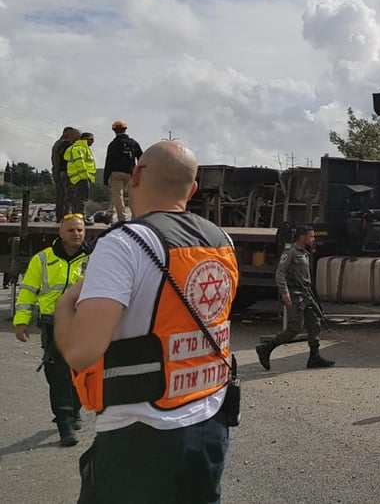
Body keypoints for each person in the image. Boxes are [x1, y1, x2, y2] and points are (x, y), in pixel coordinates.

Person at [54, 140, 239, 503]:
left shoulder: (123, 244)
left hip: (139, 433)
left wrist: (64, 307)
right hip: (208, 423)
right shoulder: (222, 240)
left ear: (136, 175)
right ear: (193, 189)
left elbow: (81, 352)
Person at [12, 214, 88, 447]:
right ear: (60, 233)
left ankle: (75, 409)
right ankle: (64, 423)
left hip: (84, 323)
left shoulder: (94, 258)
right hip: (53, 323)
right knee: (57, 375)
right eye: (71, 230)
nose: (76, 234)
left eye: (80, 230)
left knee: (82, 371)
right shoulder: (42, 259)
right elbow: (27, 292)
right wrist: (21, 320)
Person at [256, 225, 334, 370]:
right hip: (295, 294)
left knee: (315, 322)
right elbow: (280, 273)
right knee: (294, 328)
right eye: (311, 236)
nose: (313, 239)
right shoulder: (290, 252)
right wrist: (284, 293)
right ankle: (266, 348)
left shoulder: (305, 253)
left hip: (307, 294)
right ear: (303, 237)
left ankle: (314, 357)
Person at [104, 120, 143, 223]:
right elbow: (141, 157)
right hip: (130, 172)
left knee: (117, 195)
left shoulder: (113, 144)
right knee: (132, 195)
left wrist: (105, 177)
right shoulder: (133, 143)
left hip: (115, 172)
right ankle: (111, 213)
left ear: (114, 131)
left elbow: (108, 161)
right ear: (125, 129)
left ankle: (122, 219)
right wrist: (139, 172)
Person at [64, 131, 96, 216]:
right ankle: (81, 217)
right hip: (81, 177)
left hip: (79, 177)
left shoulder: (83, 148)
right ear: (85, 139)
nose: (93, 142)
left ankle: (78, 216)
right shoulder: (79, 148)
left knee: (78, 199)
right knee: (82, 199)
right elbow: (80, 163)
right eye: (91, 139)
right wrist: (85, 176)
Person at [52, 127, 79, 219]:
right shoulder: (65, 144)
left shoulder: (58, 143)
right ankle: (64, 216)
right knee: (66, 195)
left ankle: (60, 215)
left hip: (58, 171)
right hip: (62, 171)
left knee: (61, 195)